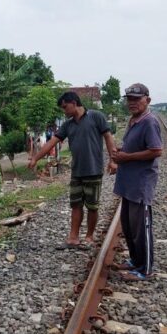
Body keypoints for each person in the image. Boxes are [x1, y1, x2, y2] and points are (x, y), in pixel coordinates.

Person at [28, 92, 117, 250]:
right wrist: (36, 158)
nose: (64, 110)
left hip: (93, 170)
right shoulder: (68, 125)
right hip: (77, 171)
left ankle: (89, 237)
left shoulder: (96, 116)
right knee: (75, 205)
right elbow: (52, 142)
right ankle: (73, 238)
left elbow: (108, 137)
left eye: (65, 107)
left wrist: (113, 160)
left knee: (92, 206)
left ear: (74, 103)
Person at [112, 83, 163, 281]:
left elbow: (156, 150)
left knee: (141, 229)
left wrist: (127, 157)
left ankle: (146, 269)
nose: (132, 103)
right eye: (129, 99)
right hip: (128, 184)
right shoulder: (134, 120)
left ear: (147, 100)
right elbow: (134, 147)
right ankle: (135, 260)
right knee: (129, 226)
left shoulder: (149, 122)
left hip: (140, 184)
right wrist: (121, 151)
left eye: (137, 99)